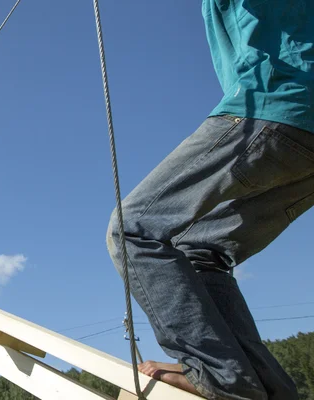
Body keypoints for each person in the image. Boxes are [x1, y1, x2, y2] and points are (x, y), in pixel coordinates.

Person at [106, 1, 313, 399]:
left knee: (133, 229)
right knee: (201, 247)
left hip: (275, 105)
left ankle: (223, 376)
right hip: (302, 133)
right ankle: (261, 384)